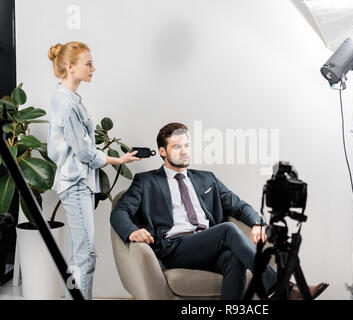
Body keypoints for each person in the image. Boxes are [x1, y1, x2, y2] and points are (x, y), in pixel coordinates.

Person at [110, 122, 328, 299]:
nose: (184, 151)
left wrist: (257, 222)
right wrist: (131, 231)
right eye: (177, 147)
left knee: (234, 258)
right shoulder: (146, 182)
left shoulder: (207, 179)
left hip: (209, 244)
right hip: (175, 248)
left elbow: (239, 205)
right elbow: (119, 211)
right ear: (162, 151)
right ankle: (285, 289)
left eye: (187, 145)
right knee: (227, 230)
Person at [47, 41, 141, 299]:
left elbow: (69, 149)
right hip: (75, 184)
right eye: (88, 63)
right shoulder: (67, 104)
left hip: (79, 182)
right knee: (85, 255)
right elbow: (84, 152)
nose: (93, 68)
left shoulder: (69, 99)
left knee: (81, 254)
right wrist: (117, 161)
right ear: (70, 66)